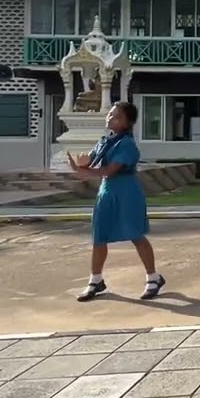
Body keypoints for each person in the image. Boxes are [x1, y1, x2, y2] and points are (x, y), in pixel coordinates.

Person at [70, 101, 164, 302]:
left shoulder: (127, 144)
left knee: (135, 234)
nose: (110, 118)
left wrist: (85, 172)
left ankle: (153, 278)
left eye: (117, 116)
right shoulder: (105, 141)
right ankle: (96, 280)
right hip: (107, 191)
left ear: (128, 122)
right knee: (99, 236)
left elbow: (110, 170)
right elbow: (91, 162)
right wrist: (82, 164)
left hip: (126, 191)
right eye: (110, 114)